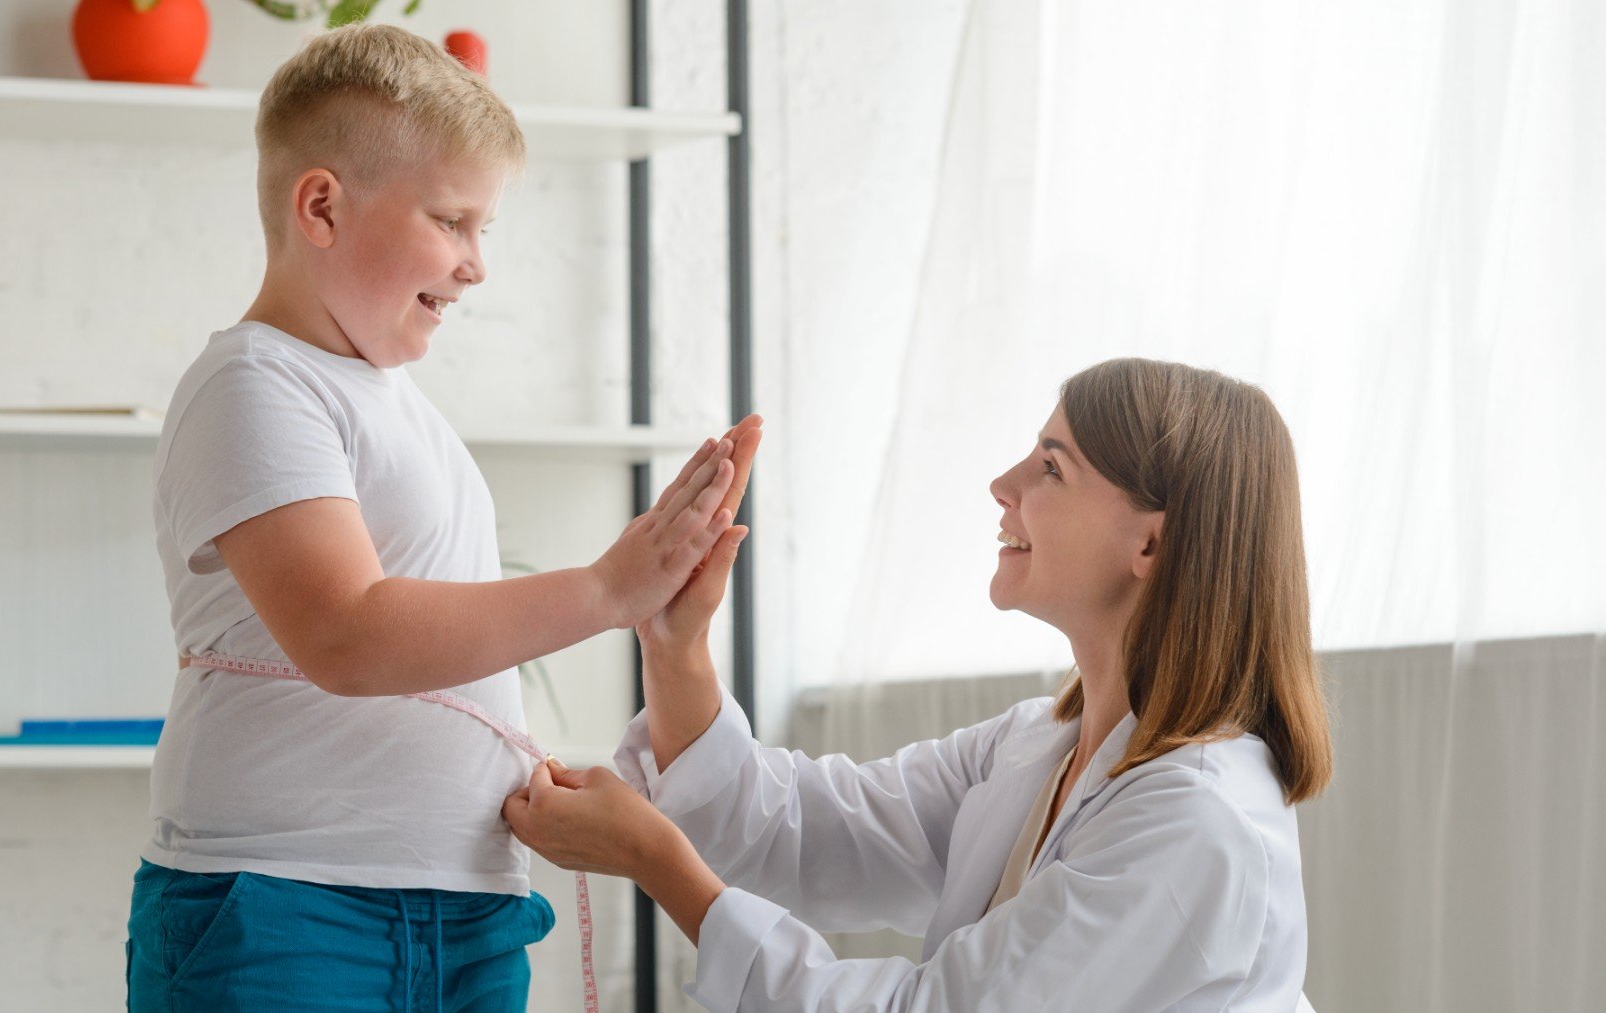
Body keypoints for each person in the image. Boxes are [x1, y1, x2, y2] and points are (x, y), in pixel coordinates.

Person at [125, 25, 761, 1010]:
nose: (475, 266)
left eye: (484, 230)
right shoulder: (256, 383)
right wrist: (602, 589)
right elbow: (345, 633)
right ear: (322, 206)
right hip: (286, 908)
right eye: (452, 221)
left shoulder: (398, 405)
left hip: (463, 908)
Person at [504, 358, 1333, 1011]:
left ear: (1149, 546)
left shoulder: (1198, 822)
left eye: (1051, 467)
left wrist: (657, 860)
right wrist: (676, 644)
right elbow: (807, 830)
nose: (1003, 484)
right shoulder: (1036, 745)